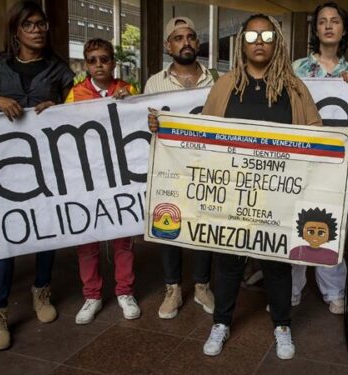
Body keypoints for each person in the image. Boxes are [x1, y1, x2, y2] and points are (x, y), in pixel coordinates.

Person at [151, 14, 348, 360]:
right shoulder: (225, 86)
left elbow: (316, 132)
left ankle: (282, 325)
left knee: (277, 264)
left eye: (267, 35)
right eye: (252, 35)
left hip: (279, 195)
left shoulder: (294, 87)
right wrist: (164, 128)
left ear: (277, 41)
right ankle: (221, 322)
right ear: (243, 43)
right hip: (233, 194)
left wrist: (345, 139)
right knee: (230, 261)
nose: (260, 41)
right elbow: (201, 133)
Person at [0, 1, 75, 350]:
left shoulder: (59, 70)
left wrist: (59, 110)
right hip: (2, 166)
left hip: (45, 164)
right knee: (6, 237)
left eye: (41, 24)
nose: (37, 30)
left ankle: (41, 292)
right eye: (29, 24)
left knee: (45, 231)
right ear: (15, 30)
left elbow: (75, 113)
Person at [144, 16, 217, 320]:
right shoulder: (155, 82)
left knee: (202, 225)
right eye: (178, 38)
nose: (185, 42)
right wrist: (149, 124)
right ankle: (173, 288)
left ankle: (202, 285)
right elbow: (139, 125)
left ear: (197, 43)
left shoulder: (216, 79)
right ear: (167, 45)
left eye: (190, 37)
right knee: (167, 223)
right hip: (169, 166)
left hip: (205, 165)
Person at [290, 1, 348, 315]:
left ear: (343, 30)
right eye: (322, 21)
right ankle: (291, 288)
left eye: (335, 21)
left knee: (332, 224)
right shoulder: (297, 69)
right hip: (302, 157)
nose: (328, 26)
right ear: (316, 29)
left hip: (335, 162)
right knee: (294, 222)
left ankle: (333, 290)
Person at [64, 38, 140, 324]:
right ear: (86, 64)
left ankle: (125, 291)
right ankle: (92, 295)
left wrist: (129, 104)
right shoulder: (75, 94)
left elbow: (141, 123)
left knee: (123, 234)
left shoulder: (129, 90)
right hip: (88, 175)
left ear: (113, 62)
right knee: (88, 237)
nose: (99, 65)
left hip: (120, 173)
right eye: (93, 60)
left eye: (104, 59)